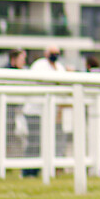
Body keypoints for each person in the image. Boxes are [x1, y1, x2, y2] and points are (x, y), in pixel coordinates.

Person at [22, 45, 68, 176]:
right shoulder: (39, 65)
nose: (55, 55)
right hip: (34, 111)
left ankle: (38, 170)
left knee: (46, 142)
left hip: (50, 113)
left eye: (57, 53)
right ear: (46, 53)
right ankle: (28, 171)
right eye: (52, 52)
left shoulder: (60, 68)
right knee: (34, 141)